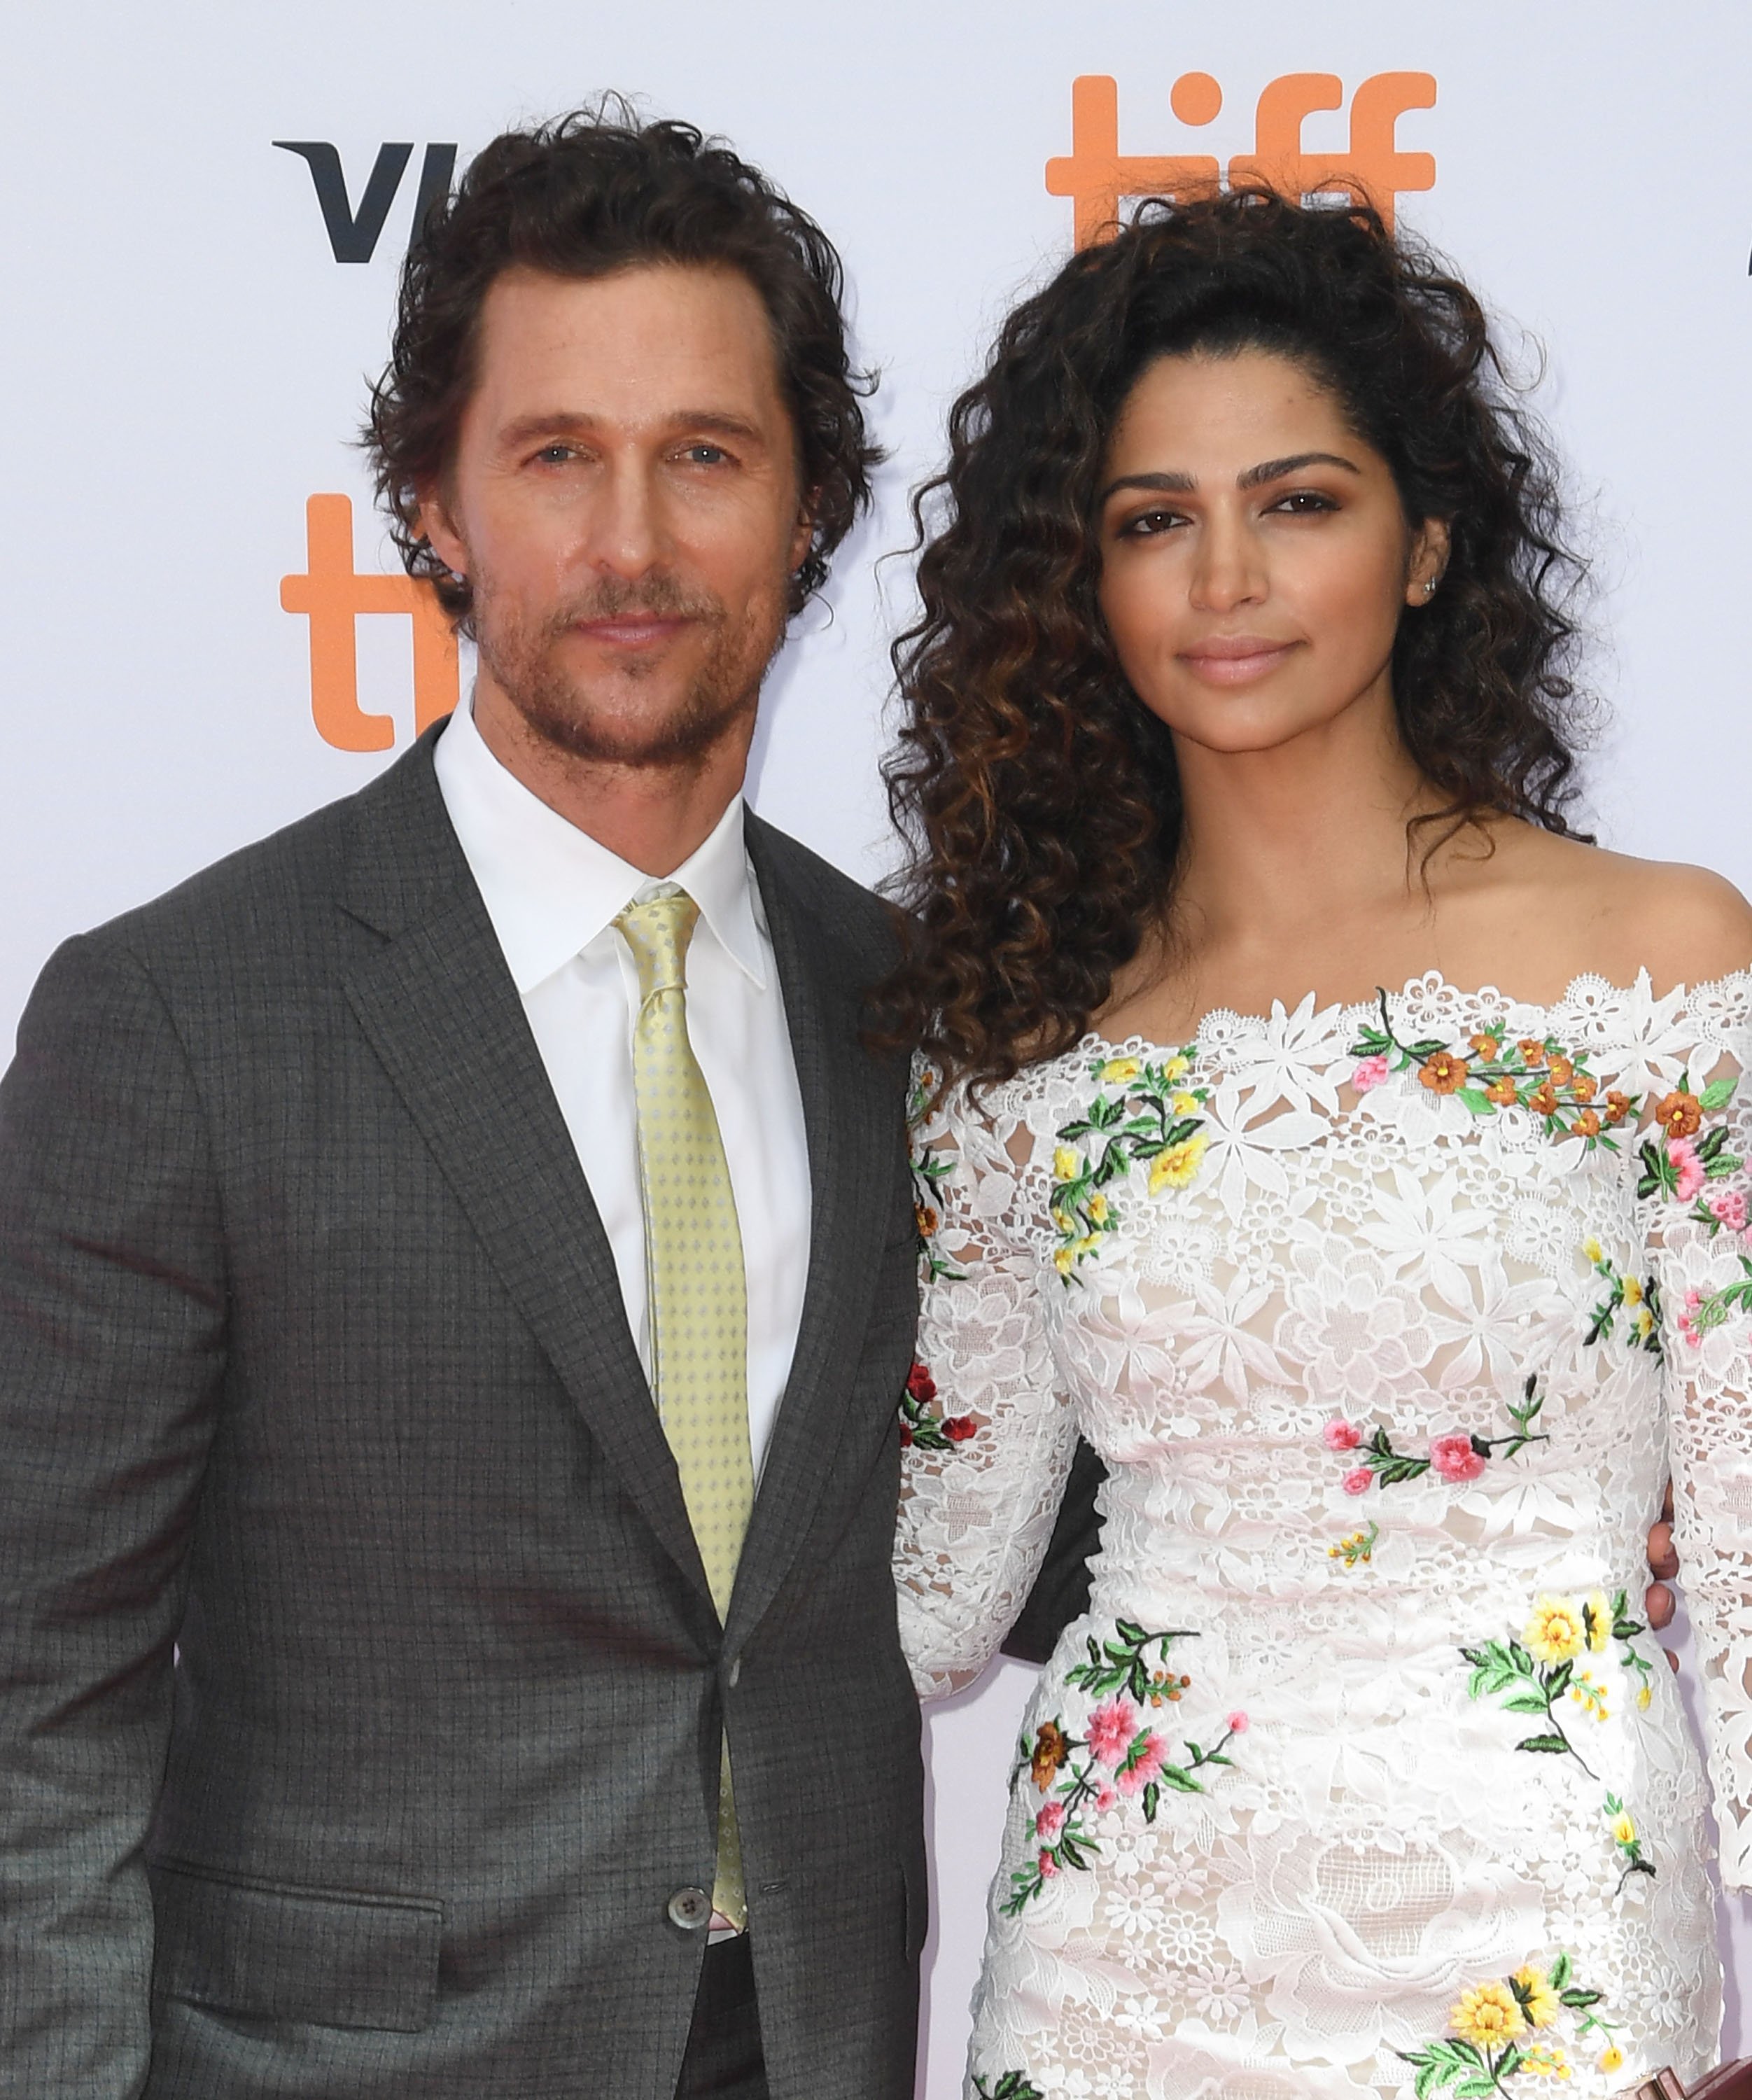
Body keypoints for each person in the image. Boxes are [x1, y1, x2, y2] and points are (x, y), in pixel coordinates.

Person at [0, 107, 925, 2100]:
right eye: (555, 456)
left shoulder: (910, 1011)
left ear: (812, 505)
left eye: (705, 457)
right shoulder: (176, 1016)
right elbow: (34, 1701)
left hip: (814, 2046)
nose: (633, 546)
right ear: (432, 503)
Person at [886, 188, 1752, 2096]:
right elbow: (937, 1590)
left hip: (1552, 1947)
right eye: (1151, 522)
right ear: (1079, 585)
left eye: (1299, 502)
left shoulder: (1664, 960)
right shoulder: (1020, 1050)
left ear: (1428, 542)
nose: (1226, 582)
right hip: (1122, 1957)